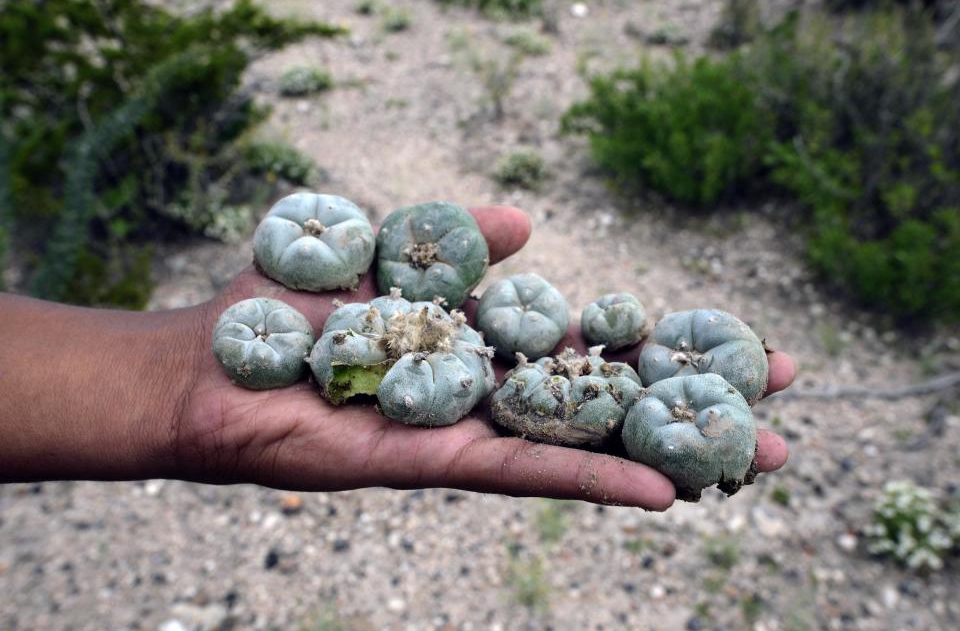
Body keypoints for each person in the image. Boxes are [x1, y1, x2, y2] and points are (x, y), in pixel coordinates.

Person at [0, 206, 793, 509]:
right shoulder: (354, 358)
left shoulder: (433, 350)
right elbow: (355, 372)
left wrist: (176, 387)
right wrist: (177, 385)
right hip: (390, 349)